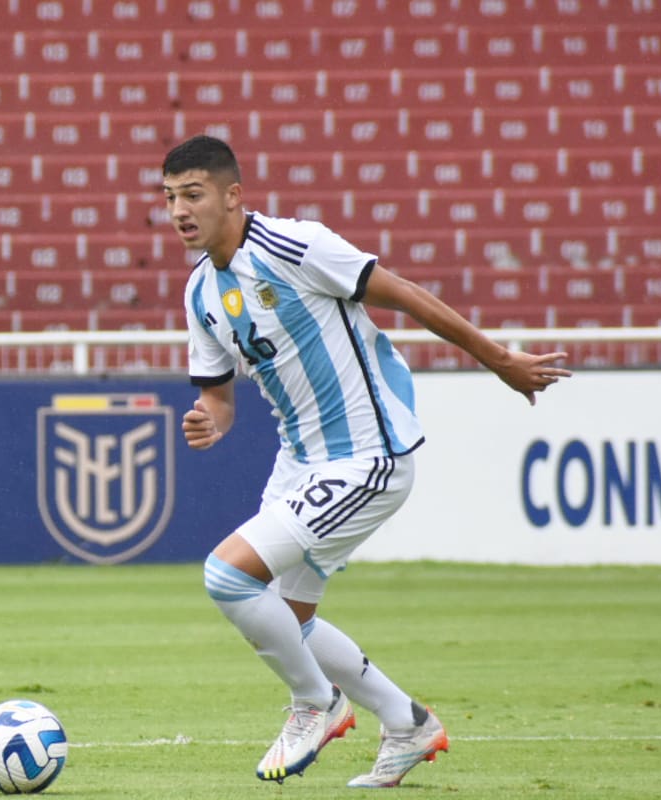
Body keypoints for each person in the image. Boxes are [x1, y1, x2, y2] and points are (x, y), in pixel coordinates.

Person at [161, 134, 571, 788]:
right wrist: (212, 418)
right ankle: (406, 721)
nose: (179, 210)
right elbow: (218, 393)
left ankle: (315, 704)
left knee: (228, 577)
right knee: (291, 618)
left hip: (367, 455)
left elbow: (403, 293)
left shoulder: (297, 246)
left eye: (193, 194)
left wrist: (498, 358)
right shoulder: (200, 292)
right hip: (302, 463)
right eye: (170, 197)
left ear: (233, 195)